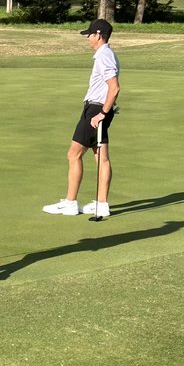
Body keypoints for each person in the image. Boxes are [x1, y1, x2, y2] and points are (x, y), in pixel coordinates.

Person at [43, 18, 120, 218]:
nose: (88, 38)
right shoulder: (107, 54)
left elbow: (114, 87)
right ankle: (102, 204)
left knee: (74, 154)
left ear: (99, 35)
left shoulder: (104, 56)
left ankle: (70, 203)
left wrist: (102, 112)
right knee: (100, 156)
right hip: (99, 109)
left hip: (95, 110)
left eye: (90, 35)